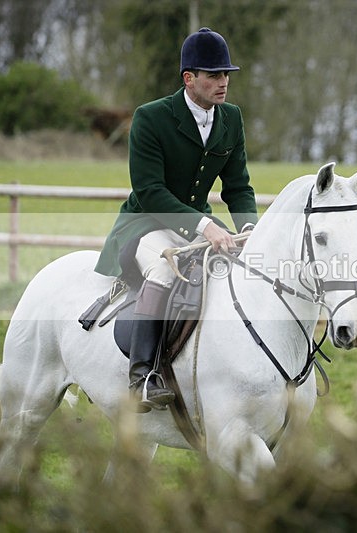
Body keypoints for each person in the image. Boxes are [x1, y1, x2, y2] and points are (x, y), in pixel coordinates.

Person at [94, 27, 258, 412]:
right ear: (189, 78)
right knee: (165, 271)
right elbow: (150, 191)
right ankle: (142, 376)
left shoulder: (231, 118)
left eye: (226, 74)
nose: (223, 82)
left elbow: (238, 185)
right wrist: (205, 226)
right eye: (214, 75)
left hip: (195, 225)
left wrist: (250, 227)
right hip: (145, 224)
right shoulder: (150, 118)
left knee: (235, 272)